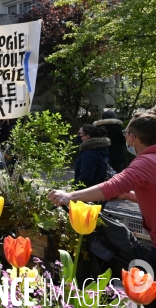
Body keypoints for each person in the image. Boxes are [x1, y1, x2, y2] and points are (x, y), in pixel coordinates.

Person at [48, 113, 156, 285]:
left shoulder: (145, 162)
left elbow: (114, 185)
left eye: (125, 134)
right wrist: (129, 196)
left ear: (133, 138)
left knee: (150, 293)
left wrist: (69, 196)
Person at [73, 124, 111, 189]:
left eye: (79, 134)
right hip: (99, 190)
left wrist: (74, 187)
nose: (77, 136)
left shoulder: (89, 153)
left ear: (87, 136)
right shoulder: (100, 149)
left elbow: (86, 177)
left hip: (89, 192)